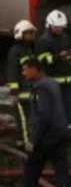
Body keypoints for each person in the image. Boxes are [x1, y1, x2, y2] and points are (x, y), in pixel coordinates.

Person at [4, 58, 71, 187]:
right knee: (61, 168)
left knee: (30, 169)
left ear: (34, 69)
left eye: (25, 69)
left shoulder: (41, 87)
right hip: (60, 133)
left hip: (46, 138)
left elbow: (44, 116)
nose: (23, 73)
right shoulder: (51, 83)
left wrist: (34, 141)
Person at [35, 9, 71, 132]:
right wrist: (59, 56)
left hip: (66, 79)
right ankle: (56, 129)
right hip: (53, 80)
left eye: (61, 27)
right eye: (57, 27)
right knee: (55, 106)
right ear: (49, 25)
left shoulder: (64, 38)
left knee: (68, 105)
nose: (59, 29)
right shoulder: (44, 40)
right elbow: (42, 60)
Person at [8, 20, 37, 148]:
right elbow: (13, 72)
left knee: (27, 118)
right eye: (27, 33)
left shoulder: (29, 50)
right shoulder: (15, 51)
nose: (30, 36)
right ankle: (27, 143)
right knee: (24, 120)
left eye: (31, 33)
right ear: (20, 34)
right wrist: (14, 92)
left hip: (29, 89)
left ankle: (20, 141)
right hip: (20, 92)